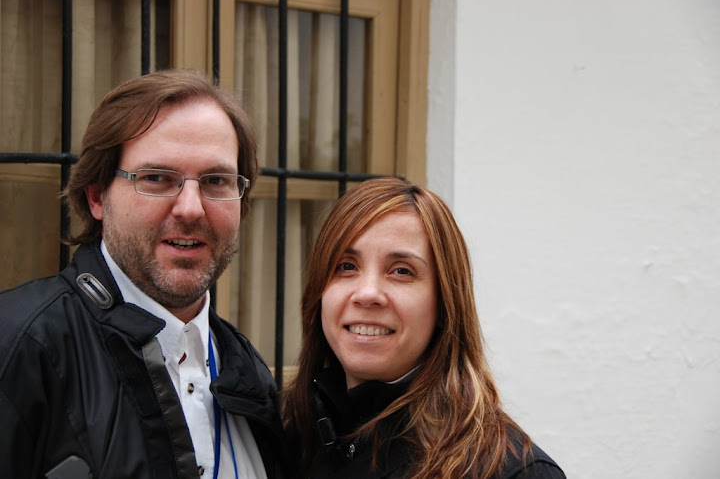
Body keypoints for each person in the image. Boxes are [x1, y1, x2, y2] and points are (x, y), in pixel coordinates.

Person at [0, 70, 286, 478]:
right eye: (156, 178)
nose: (191, 208)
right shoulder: (18, 350)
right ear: (97, 196)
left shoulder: (247, 375)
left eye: (216, 180)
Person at [282, 177, 566, 478]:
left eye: (401, 271)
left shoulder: (510, 471)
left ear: (445, 304)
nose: (367, 293)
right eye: (347, 266)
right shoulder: (290, 442)